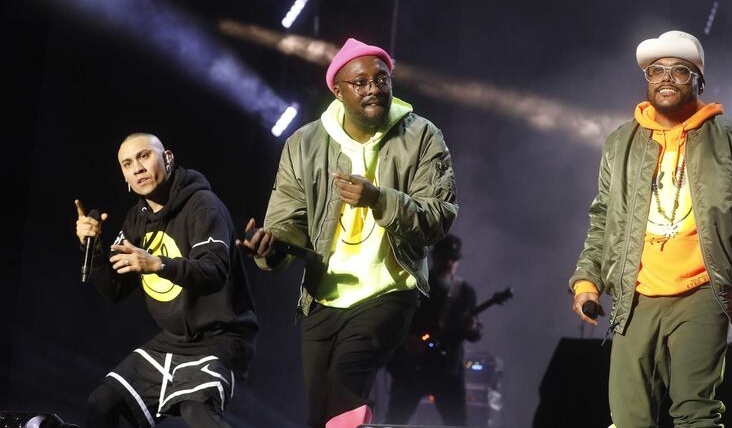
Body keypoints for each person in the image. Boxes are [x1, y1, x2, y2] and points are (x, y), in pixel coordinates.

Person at [240, 37, 458, 428]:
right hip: (323, 296)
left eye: (382, 79)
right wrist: (271, 247)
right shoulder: (304, 144)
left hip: (388, 289)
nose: (374, 88)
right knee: (320, 416)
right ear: (337, 91)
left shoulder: (423, 136)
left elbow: (439, 217)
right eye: (361, 83)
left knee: (344, 383)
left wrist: (378, 199)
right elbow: (287, 219)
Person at [569, 30, 732, 427]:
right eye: (656, 71)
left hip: (703, 291)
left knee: (695, 415)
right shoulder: (620, 141)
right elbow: (603, 218)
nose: (666, 78)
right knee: (629, 418)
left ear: (699, 81)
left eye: (680, 71)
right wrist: (586, 280)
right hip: (636, 295)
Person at [75, 133, 258, 428]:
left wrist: (157, 264)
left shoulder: (203, 206)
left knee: (196, 412)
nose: (137, 168)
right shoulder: (137, 220)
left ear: (168, 158)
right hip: (172, 342)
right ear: (124, 176)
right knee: (101, 403)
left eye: (144, 156)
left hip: (221, 337)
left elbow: (213, 273)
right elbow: (114, 290)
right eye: (127, 163)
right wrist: (92, 248)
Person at [384, 234, 481, 426]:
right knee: (395, 421)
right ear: (435, 256)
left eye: (454, 259)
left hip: (447, 371)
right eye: (446, 257)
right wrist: (405, 341)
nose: (449, 262)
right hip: (412, 369)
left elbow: (474, 333)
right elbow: (394, 322)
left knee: (457, 423)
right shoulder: (414, 285)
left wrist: (473, 327)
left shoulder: (465, 292)